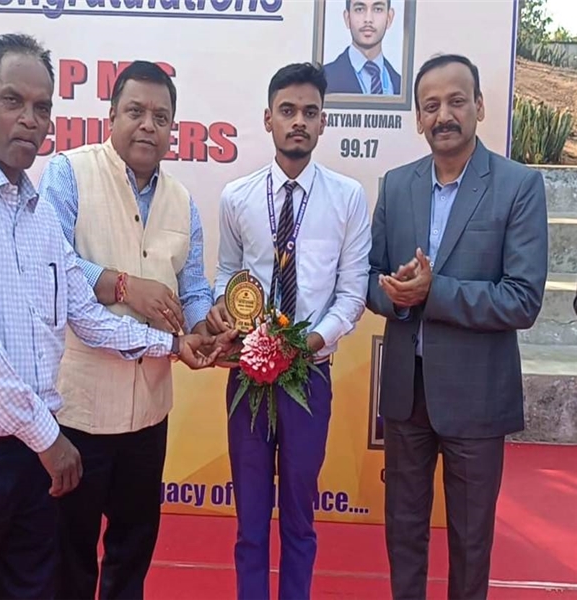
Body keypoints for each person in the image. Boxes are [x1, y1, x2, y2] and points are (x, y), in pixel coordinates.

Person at [0, 34, 223, 600]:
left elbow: (86, 314)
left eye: (42, 107)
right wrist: (49, 438)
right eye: (13, 101)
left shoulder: (39, 216)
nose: (30, 119)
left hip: (35, 457)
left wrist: (174, 345)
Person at [38, 60, 231, 600]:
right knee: (68, 555)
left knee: (133, 549)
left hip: (149, 411)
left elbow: (192, 287)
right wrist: (124, 285)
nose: (149, 125)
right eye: (136, 111)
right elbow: (55, 268)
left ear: (173, 129)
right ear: (111, 116)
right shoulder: (67, 174)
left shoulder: (183, 202)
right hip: (78, 408)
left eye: (161, 117)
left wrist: (204, 326)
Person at [367, 54, 548, 600]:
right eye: (431, 106)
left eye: (456, 101)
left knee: (471, 541)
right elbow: (369, 278)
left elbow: (522, 300)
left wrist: (433, 292)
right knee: (403, 530)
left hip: (476, 396)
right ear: (418, 118)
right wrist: (396, 294)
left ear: (479, 107)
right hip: (407, 395)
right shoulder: (396, 186)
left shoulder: (518, 186)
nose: (443, 115)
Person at [206, 62, 372, 600]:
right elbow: (228, 274)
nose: (298, 121)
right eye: (287, 111)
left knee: (300, 519)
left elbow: (352, 294)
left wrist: (307, 344)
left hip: (310, 377)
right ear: (268, 119)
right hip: (248, 378)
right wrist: (228, 315)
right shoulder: (237, 197)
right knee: (250, 523)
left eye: (309, 112)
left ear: (323, 122)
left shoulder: (348, 198)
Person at [323, 0, 401, 95]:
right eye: (359, 9)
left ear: (389, 18)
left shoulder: (400, 85)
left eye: (377, 9)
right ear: (347, 18)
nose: (368, 19)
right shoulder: (324, 79)